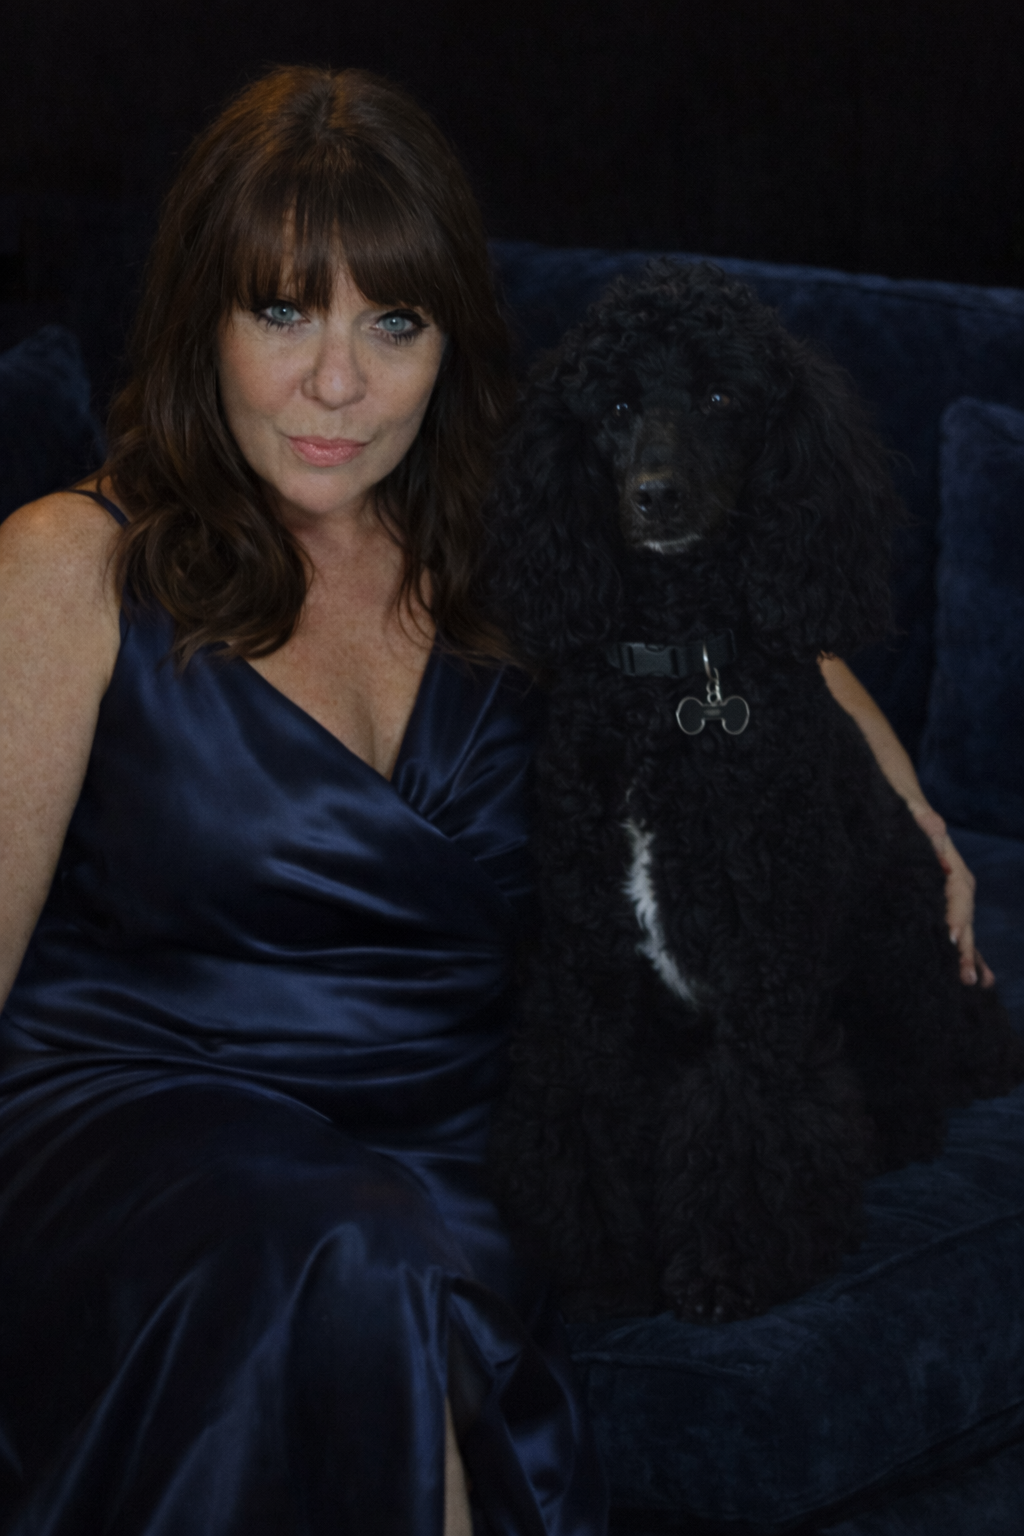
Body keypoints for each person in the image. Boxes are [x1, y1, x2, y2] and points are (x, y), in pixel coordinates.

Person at [0, 64, 990, 1536]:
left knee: (390, 1248)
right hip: (151, 1119)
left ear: (451, 339)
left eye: (391, 323)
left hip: (446, 1142)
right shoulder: (70, 563)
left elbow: (764, 638)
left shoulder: (523, 556)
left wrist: (914, 810)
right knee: (349, 1260)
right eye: (284, 312)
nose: (338, 382)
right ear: (200, 318)